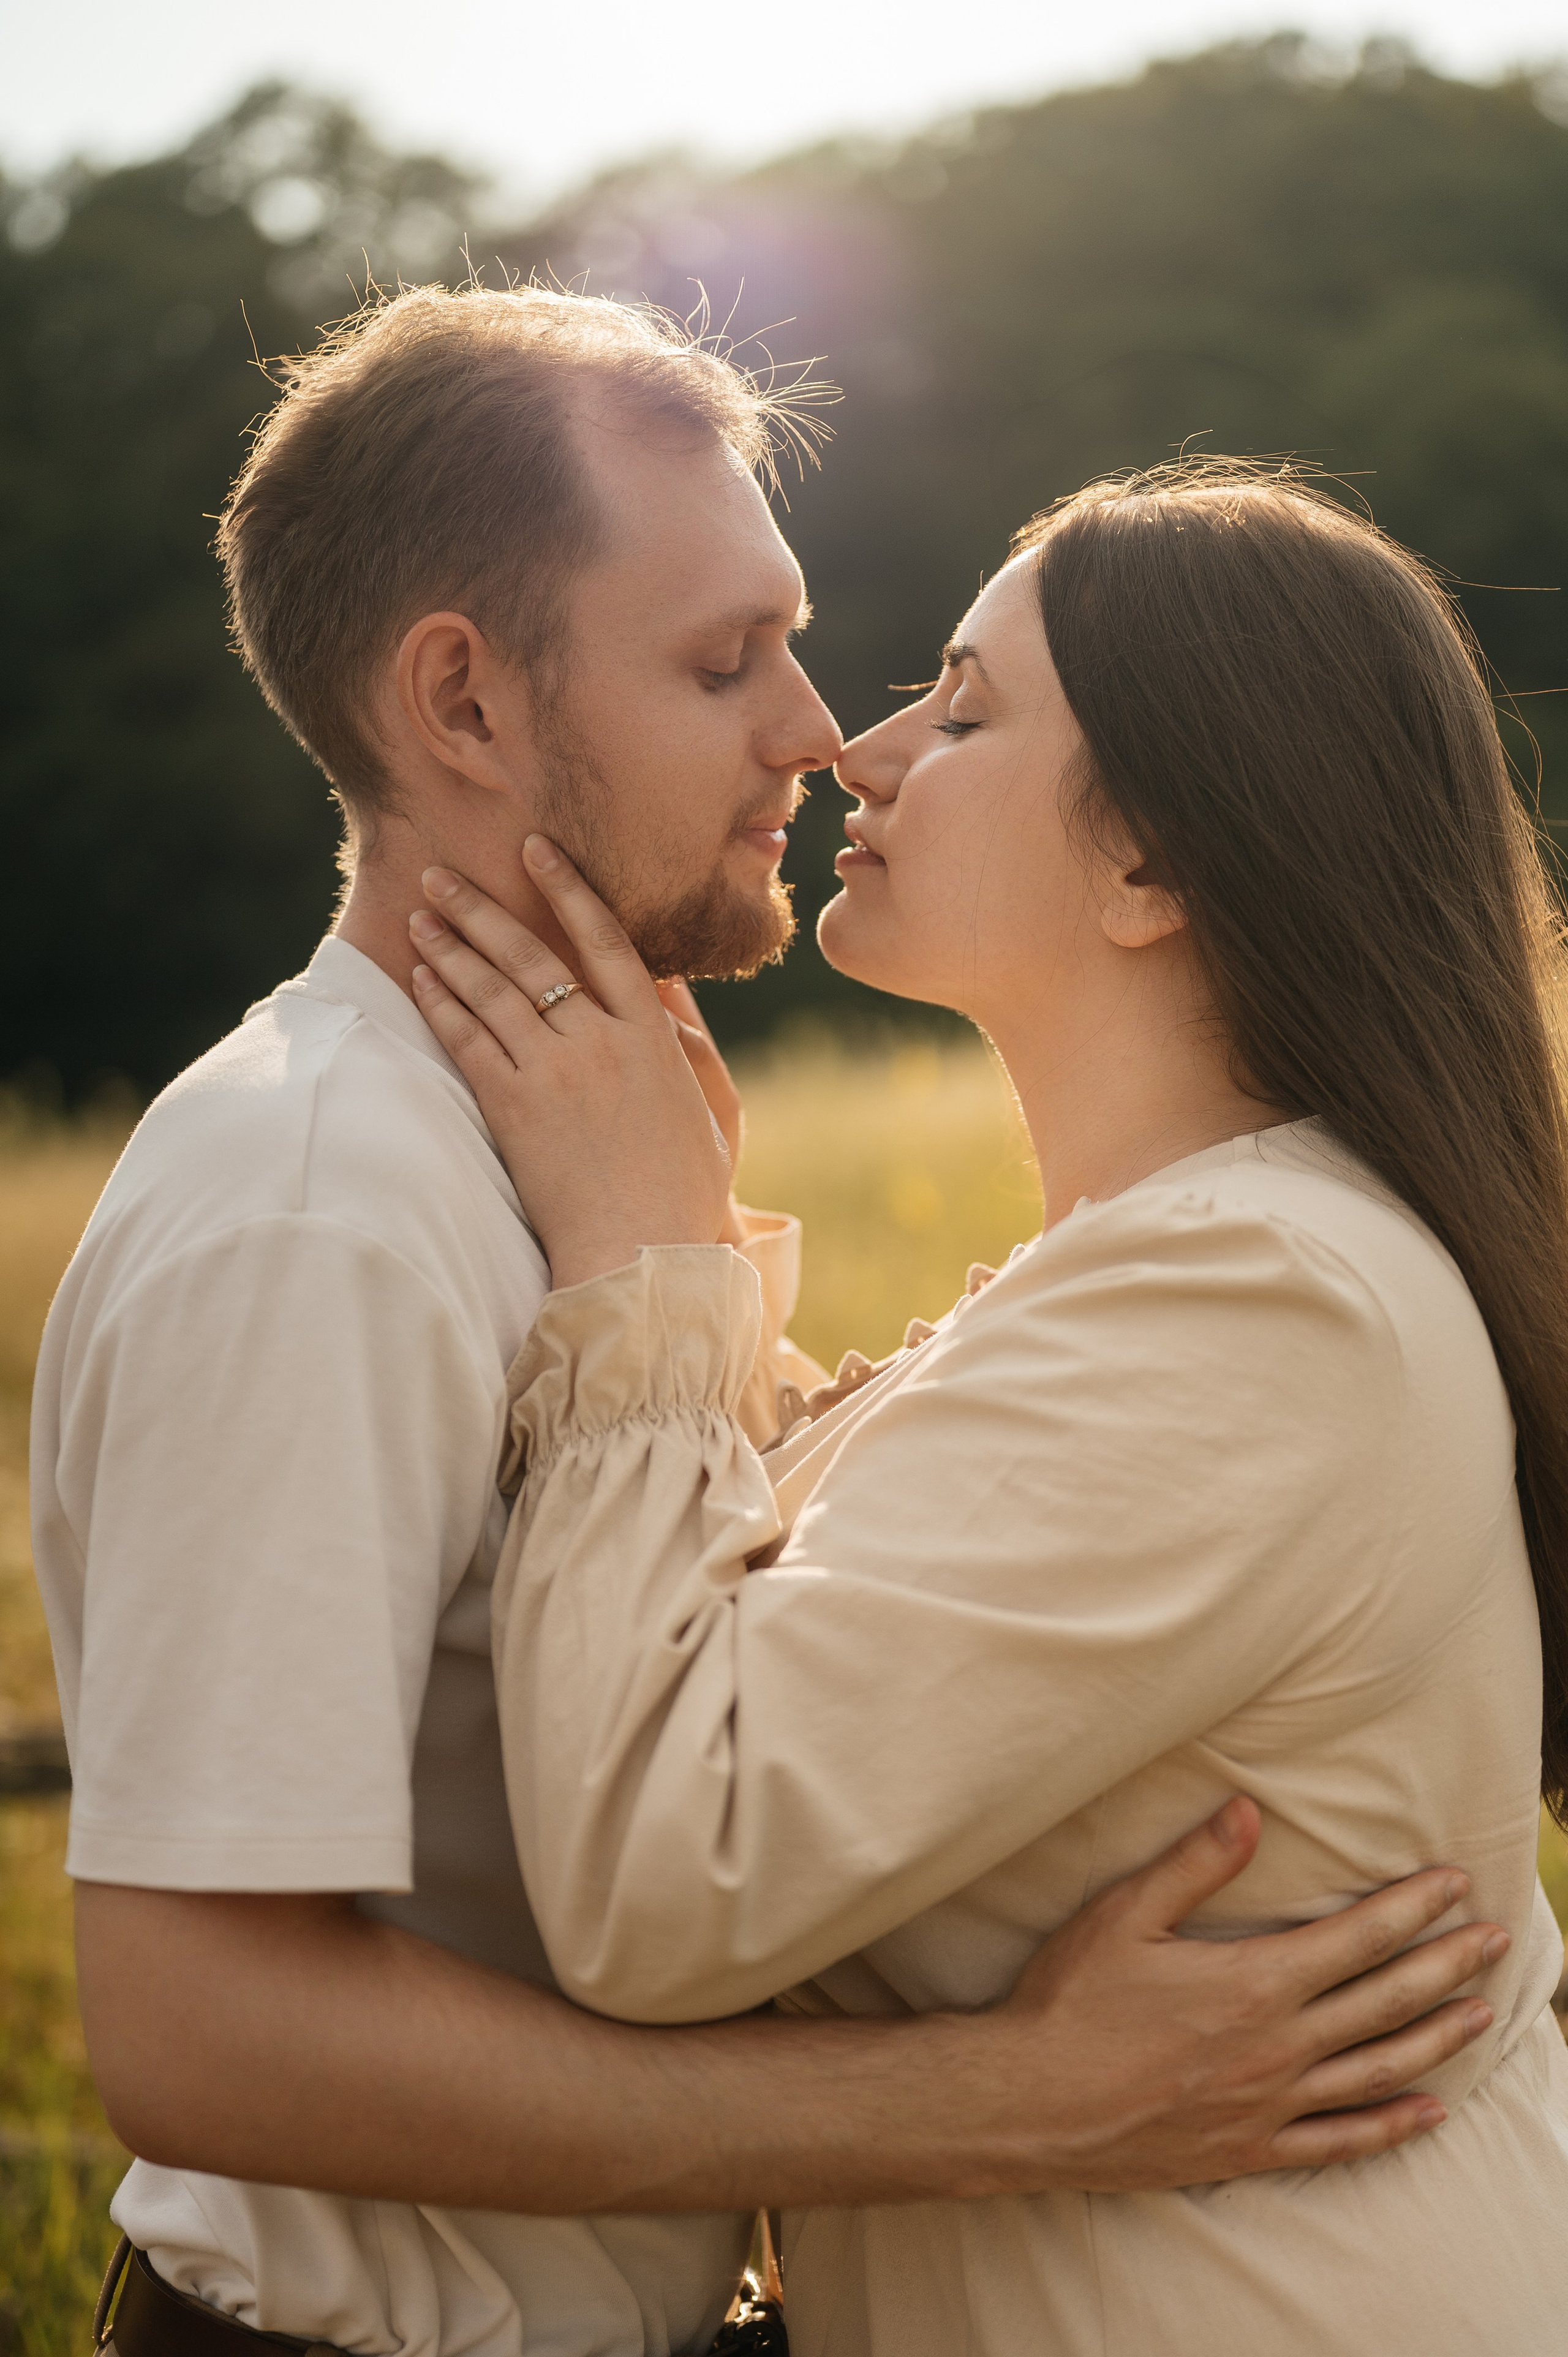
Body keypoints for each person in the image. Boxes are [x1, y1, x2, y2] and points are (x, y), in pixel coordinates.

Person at [34, 289, 1498, 2357]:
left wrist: (671, 1259)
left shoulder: (566, 1166)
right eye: (726, 661)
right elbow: (204, 2038)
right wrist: (995, 2109)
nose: (819, 731)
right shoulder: (320, 1212)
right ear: (461, 705)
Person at [405, 458, 1568, 2356]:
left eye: (964, 708)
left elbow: (659, 1878)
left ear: (1155, 867)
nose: (859, 751)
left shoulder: (1261, 1310)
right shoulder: (1199, 1270)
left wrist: (636, 1265)